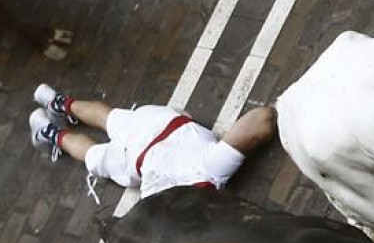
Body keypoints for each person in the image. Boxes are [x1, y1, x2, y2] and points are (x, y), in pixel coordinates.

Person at [28, 81, 276, 199]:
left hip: (158, 121)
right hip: (131, 158)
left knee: (108, 117)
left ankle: (60, 102)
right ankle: (52, 133)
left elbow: (261, 120)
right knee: (93, 153)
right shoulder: (164, 199)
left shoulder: (211, 168)